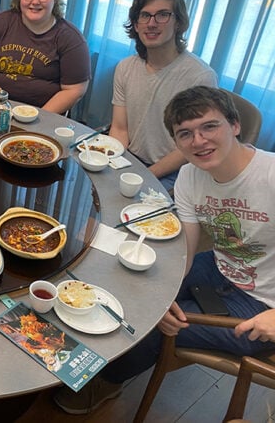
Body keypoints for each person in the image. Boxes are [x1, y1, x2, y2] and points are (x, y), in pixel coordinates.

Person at [54, 86, 275, 415]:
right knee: (136, 289)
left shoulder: (270, 174)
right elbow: (183, 252)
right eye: (185, 133)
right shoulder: (189, 176)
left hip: (262, 307)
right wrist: (164, 290)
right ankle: (83, 358)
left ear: (235, 125)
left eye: (209, 127)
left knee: (158, 327)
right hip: (220, 269)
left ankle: (108, 382)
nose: (198, 141)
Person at [109, 0, 218, 191]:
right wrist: (114, 164)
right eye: (145, 16)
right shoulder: (125, 68)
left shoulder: (200, 77)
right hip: (129, 159)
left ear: (178, 22)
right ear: (136, 24)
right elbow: (120, 128)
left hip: (173, 171)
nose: (151, 23)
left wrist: (145, 175)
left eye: (162, 15)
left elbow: (191, 147)